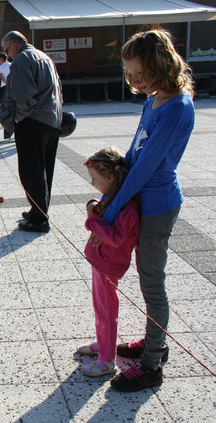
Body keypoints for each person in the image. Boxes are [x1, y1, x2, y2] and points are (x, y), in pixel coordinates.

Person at [95, 29, 195, 392]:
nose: (134, 81)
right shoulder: (152, 101)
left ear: (160, 65)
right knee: (144, 277)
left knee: (152, 283)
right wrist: (110, 179)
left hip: (157, 205)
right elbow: (134, 156)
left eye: (140, 73)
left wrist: (111, 208)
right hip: (139, 202)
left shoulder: (178, 106)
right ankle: (155, 341)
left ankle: (152, 363)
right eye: (130, 74)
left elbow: (147, 167)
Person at [77, 147, 139, 378]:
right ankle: (105, 345)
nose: (93, 184)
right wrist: (95, 205)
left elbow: (115, 237)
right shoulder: (113, 198)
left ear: (111, 176)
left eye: (95, 179)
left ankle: (107, 360)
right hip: (100, 261)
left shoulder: (128, 207)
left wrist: (92, 220)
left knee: (106, 310)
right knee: (101, 308)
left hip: (108, 265)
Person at [0, 31, 63, 233]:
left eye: (7, 51)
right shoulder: (44, 57)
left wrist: (18, 117)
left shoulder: (22, 59)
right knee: (45, 170)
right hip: (51, 120)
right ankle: (39, 210)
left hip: (33, 120)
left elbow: (23, 94)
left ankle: (39, 218)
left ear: (15, 45)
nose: (8, 56)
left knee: (31, 171)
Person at [0, 53, 12, 141]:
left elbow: (1, 77)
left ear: (1, 59)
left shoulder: (0, 67)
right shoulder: (11, 65)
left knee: (5, 108)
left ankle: (7, 132)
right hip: (13, 87)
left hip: (4, 88)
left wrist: (6, 82)